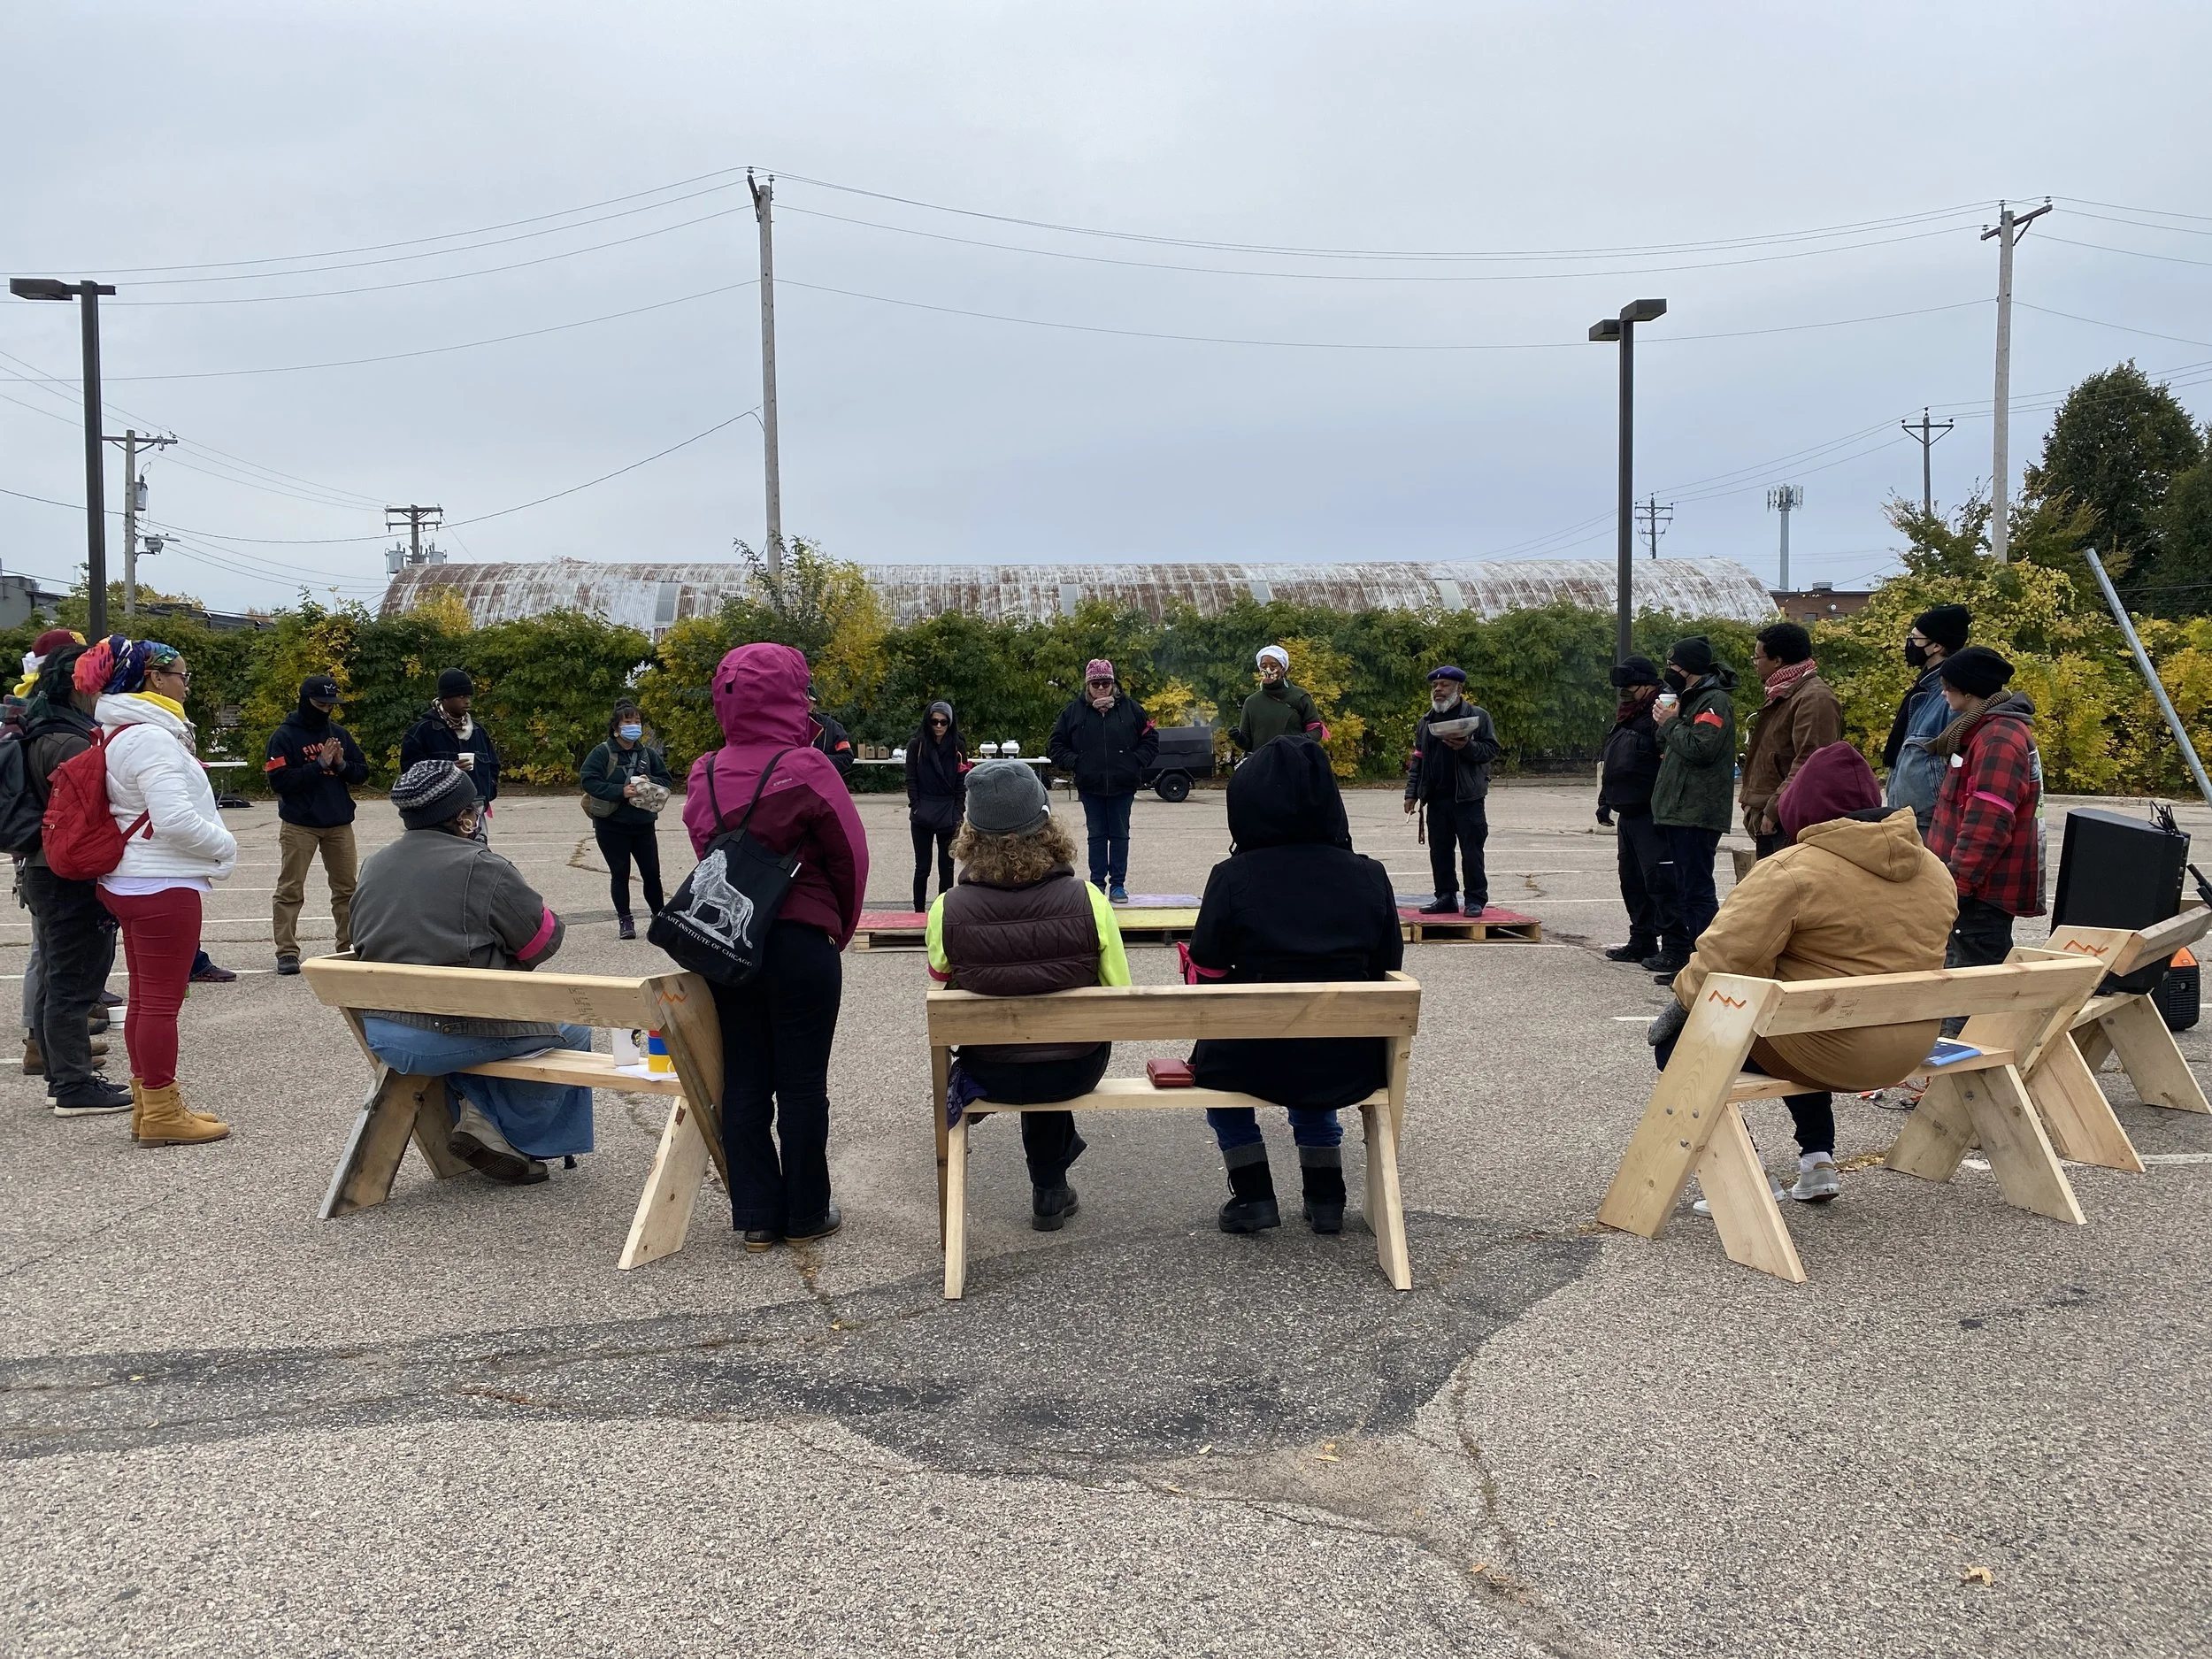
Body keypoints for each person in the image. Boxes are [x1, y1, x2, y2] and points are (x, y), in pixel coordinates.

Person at [1651, 741, 1955, 1202]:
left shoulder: (1792, 871)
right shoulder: (1934, 869)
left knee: (1683, 1043)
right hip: (1908, 1045)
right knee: (1805, 1021)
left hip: (1834, 1046)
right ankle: (1817, 1159)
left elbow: (1723, 962)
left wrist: (1680, 1005)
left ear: (1807, 810)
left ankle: (1746, 1177)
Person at [682, 642, 869, 1251]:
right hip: (799, 937)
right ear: (792, 694)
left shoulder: (703, 771)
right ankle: (808, 1209)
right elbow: (849, 858)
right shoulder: (807, 766)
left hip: (731, 940)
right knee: (802, 1082)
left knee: (744, 1079)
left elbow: (709, 854)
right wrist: (832, 926)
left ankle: (758, 1211)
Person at [1186, 736, 1403, 1236]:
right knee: (1315, 1065)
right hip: (1348, 1058)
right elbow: (1388, 965)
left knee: (1221, 1081)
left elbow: (1208, 964)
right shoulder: (1370, 876)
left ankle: (1254, 1195)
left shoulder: (1232, 876)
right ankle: (1326, 1198)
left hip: (1249, 1056)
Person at [351, 761, 590, 1185]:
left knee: (482, 1025)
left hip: (387, 1033)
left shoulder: (374, 865)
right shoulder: (483, 866)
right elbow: (540, 941)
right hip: (457, 1032)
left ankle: (480, 1117)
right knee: (571, 1031)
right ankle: (511, 1136)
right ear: (464, 815)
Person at [926, 760, 1131, 1231]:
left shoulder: (946, 910)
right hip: (1077, 1066)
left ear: (971, 833)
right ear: (1046, 826)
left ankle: (1051, 1187)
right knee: (1048, 1057)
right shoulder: (1090, 901)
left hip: (991, 1069)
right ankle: (1050, 1188)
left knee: (1025, 1053)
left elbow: (941, 981)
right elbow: (1120, 994)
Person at [79, 636, 238, 1147]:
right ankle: (163, 1110)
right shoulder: (150, 736)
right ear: (154, 678)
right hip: (160, 883)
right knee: (161, 1004)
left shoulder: (119, 731)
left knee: (147, 1000)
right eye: (182, 676)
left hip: (132, 878)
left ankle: (150, 1107)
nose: (186, 685)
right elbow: (174, 820)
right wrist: (225, 846)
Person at [17, 641, 128, 1116]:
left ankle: (60, 1072)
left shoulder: (39, 730)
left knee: (54, 978)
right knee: (74, 981)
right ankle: (73, 1085)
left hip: (40, 868)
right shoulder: (72, 741)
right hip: (67, 872)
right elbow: (89, 811)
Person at [1924, 646, 2045, 982]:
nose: (1944, 692)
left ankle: (1964, 1038)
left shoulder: (1998, 739)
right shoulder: (1982, 731)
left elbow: (1988, 822)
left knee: (1966, 1000)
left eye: (1948, 685)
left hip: (1979, 896)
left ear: (1969, 690)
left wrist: (1957, 884)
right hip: (1973, 891)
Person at [1648, 635, 1738, 983]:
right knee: (1684, 889)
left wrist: (1670, 723)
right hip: (1678, 809)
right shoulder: (1690, 699)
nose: (1668, 671)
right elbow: (1671, 745)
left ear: (1688, 669)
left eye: (1673, 666)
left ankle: (1706, 966)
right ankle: (1690, 963)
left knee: (1697, 891)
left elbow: (1701, 747)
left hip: (1697, 811)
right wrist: (1665, 722)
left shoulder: (1713, 701)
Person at [265, 672, 366, 976]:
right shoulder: (284, 736)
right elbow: (279, 781)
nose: (326, 709)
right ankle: (286, 951)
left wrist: (341, 765)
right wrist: (318, 765)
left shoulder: (339, 734)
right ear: (305, 700)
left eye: (331, 703)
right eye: (320, 703)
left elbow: (363, 772)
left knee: (347, 890)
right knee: (290, 889)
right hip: (300, 824)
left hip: (338, 823)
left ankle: (348, 947)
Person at [1045, 657, 1159, 903]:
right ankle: (1097, 885)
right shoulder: (1073, 712)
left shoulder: (1132, 709)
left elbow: (1151, 739)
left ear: (1113, 683)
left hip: (1123, 785)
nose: (1101, 688)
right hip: (1091, 785)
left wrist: (1135, 761)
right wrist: (1076, 762)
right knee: (1096, 835)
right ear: (1088, 685)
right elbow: (1055, 744)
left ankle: (1118, 885)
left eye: (1105, 682)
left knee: (1119, 834)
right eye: (1096, 683)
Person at [1597, 655, 1678, 964]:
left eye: (1630, 685)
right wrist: (1605, 800)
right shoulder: (1627, 716)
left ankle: (1674, 946)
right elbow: (1616, 761)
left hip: (1652, 812)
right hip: (1627, 812)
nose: (1624, 692)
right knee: (1631, 881)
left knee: (1660, 882)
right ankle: (1642, 939)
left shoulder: (1662, 713)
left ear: (1647, 685)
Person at [1402, 665, 1501, 917]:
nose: (1438, 690)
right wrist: (1412, 793)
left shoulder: (1477, 716)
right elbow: (1419, 759)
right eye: (1435, 686)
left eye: (1444, 685)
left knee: (1472, 851)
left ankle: (1475, 899)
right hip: (1436, 798)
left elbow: (1490, 751)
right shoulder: (1426, 721)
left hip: (1467, 798)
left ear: (1459, 689)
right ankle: (1445, 896)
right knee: (1440, 851)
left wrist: (1466, 747)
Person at [1738, 622, 1842, 860]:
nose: (1754, 664)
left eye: (1757, 657)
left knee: (1789, 893)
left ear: (1777, 660)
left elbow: (1810, 761)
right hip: (1772, 815)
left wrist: (1775, 808)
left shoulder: (1814, 698)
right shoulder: (1783, 693)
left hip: (1788, 818)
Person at [580, 701, 674, 940]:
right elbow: (588, 780)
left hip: (643, 824)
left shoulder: (647, 754)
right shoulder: (602, 752)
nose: (634, 726)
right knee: (620, 873)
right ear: (615, 728)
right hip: (611, 825)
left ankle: (658, 916)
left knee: (652, 873)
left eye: (637, 722)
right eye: (628, 722)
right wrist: (621, 791)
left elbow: (666, 780)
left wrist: (647, 780)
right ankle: (625, 920)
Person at [1883, 603, 1970, 833]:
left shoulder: (1949, 696)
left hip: (1927, 819)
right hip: (1906, 814)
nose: (1910, 644)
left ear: (1936, 646)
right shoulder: (1923, 687)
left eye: (1915, 638)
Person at [400, 668, 500, 835]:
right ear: (445, 698)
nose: (467, 701)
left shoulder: (478, 731)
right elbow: (410, 775)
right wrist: (446, 770)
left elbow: (493, 766)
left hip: (475, 814)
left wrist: (488, 793)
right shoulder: (423, 732)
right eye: (461, 696)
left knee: (476, 859)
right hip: (439, 819)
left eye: (469, 697)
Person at [905, 699, 965, 912]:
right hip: (923, 814)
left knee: (946, 868)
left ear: (950, 723)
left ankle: (943, 912)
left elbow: (961, 781)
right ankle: (918, 911)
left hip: (948, 812)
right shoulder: (917, 745)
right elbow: (911, 779)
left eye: (944, 722)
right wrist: (916, 805)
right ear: (927, 722)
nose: (939, 726)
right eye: (934, 721)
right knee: (922, 867)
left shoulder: (957, 746)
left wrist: (959, 811)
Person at [1228, 645, 1328, 754]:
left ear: (1283, 668)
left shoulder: (1300, 696)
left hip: (1294, 762)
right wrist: (1238, 736)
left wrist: (1298, 740)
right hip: (1262, 765)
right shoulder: (1251, 702)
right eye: (1263, 666)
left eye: (1273, 665)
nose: (1268, 670)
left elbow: (1316, 731)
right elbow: (1247, 744)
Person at [809, 681, 856, 780]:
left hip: (823, 784)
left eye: (808, 700)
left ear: (815, 703)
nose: (803, 704)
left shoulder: (831, 727)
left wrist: (818, 761)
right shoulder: (783, 727)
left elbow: (846, 756)